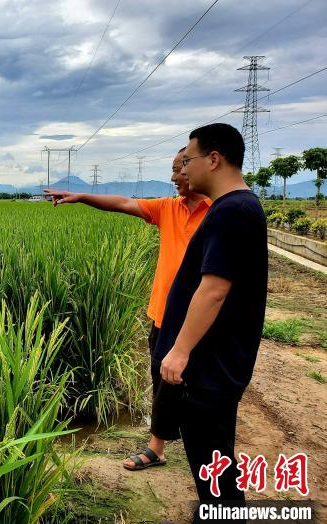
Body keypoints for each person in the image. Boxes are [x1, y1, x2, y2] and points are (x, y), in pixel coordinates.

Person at [44, 148, 212, 471]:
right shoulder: (167, 209)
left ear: (200, 168)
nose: (175, 177)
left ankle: (206, 457)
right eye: (174, 170)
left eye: (180, 168)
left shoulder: (217, 212)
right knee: (161, 381)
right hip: (163, 315)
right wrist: (80, 196)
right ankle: (157, 449)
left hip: (202, 321)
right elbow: (123, 204)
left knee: (202, 389)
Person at [153, 123, 267, 521]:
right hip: (218, 362)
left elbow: (214, 289)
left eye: (188, 159)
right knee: (212, 458)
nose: (183, 168)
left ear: (213, 159)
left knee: (212, 460)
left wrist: (179, 351)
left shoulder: (232, 211)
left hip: (210, 368)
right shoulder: (236, 207)